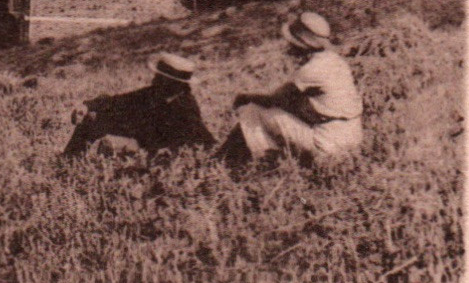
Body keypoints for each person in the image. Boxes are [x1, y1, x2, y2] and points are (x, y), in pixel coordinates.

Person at [215, 10, 363, 166]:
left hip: (330, 144)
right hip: (352, 137)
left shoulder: (311, 70)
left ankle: (267, 160)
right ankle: (229, 155)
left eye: (292, 42)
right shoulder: (335, 60)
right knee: (278, 112)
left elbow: (273, 100)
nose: (289, 46)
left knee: (251, 110)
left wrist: (244, 98)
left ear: (302, 44)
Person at [63, 52, 215, 157]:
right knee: (92, 117)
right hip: (141, 139)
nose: (155, 79)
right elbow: (117, 101)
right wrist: (87, 106)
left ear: (174, 83)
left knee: (110, 144)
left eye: (160, 77)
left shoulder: (186, 107)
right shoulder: (154, 92)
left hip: (155, 152)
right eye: (157, 76)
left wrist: (132, 146)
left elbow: (201, 141)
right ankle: (68, 162)